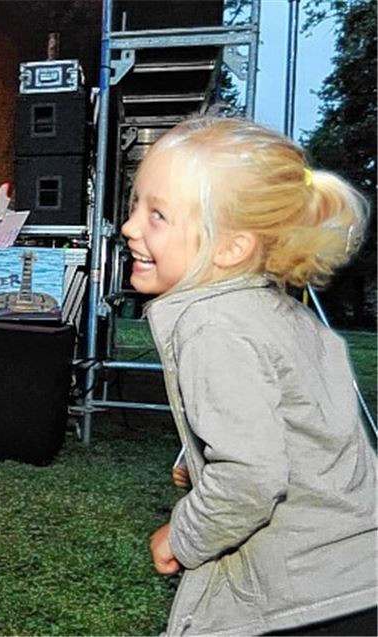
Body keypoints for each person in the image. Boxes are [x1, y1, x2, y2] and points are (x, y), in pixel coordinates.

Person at [124, 116, 376, 636]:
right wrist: (197, 452)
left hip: (301, 597)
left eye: (158, 215)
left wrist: (183, 535)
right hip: (357, 577)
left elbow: (251, 477)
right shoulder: (281, 314)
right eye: (135, 206)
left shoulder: (211, 327)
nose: (130, 227)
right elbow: (303, 419)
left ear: (231, 248)